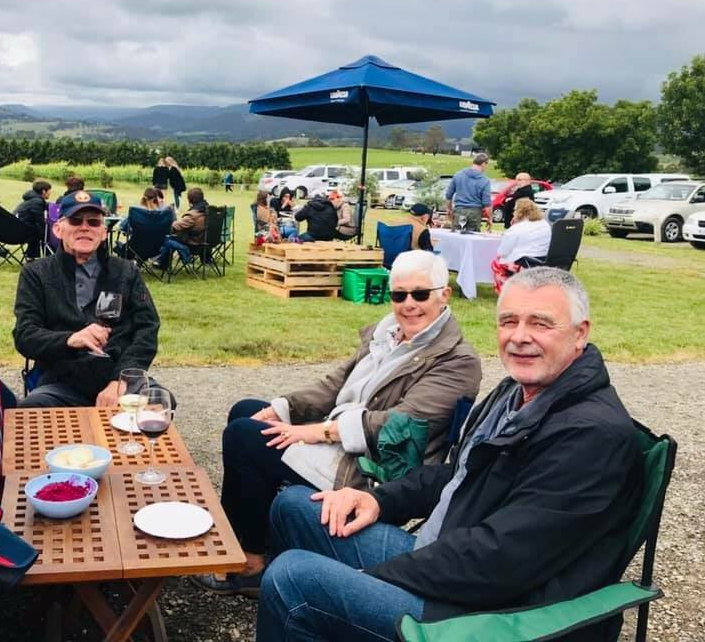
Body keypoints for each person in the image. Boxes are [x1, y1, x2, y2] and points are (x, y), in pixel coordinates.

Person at [257, 267, 642, 642]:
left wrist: (374, 576)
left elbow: (502, 559)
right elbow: (456, 473)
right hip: (448, 554)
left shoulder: (591, 436)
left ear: (580, 333)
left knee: (292, 578)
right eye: (508, 321)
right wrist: (377, 499)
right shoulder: (515, 393)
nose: (519, 337)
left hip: (490, 612)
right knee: (295, 506)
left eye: (540, 323)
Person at [195, 251, 481, 596]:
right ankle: (260, 535)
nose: (408, 304)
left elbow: (399, 424)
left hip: (372, 467)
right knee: (246, 412)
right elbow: (335, 385)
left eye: (420, 294)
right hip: (340, 440)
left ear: (443, 295)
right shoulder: (387, 332)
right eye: (398, 294)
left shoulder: (458, 361)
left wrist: (316, 432)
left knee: (244, 438)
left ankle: (250, 564)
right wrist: (282, 408)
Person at [13, 190, 171, 407]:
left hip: (119, 377)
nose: (85, 227)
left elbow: (147, 328)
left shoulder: (126, 271)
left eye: (93, 222)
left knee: (160, 403)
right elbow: (25, 335)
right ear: (58, 229)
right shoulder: (37, 273)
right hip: (63, 381)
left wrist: (120, 380)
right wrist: (70, 339)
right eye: (75, 220)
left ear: (104, 232)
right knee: (33, 408)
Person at [491, 199, 552, 292]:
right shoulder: (545, 224)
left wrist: (513, 226)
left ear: (519, 212)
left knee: (496, 263)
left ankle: (504, 292)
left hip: (525, 263)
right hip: (544, 261)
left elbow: (502, 252)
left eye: (514, 210)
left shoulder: (517, 228)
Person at [150, 187, 207, 271]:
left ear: (190, 200)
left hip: (192, 244)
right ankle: (161, 261)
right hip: (204, 243)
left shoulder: (193, 215)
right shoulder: (207, 211)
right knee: (172, 239)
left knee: (167, 240)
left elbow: (175, 226)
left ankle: (162, 263)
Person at [445, 152, 491, 232]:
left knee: (456, 235)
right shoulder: (485, 180)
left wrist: (449, 210)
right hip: (474, 213)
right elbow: (487, 203)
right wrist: (490, 218)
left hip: (459, 211)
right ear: (483, 164)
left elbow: (449, 195)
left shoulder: (458, 175)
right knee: (472, 237)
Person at [14, 179, 52, 260]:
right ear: (44, 191)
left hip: (17, 227)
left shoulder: (33, 199)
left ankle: (30, 255)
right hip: (20, 232)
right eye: (49, 190)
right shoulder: (37, 202)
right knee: (38, 231)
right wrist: (47, 235)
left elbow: (45, 205)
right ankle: (32, 257)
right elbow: (40, 221)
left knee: (36, 230)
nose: (50, 193)